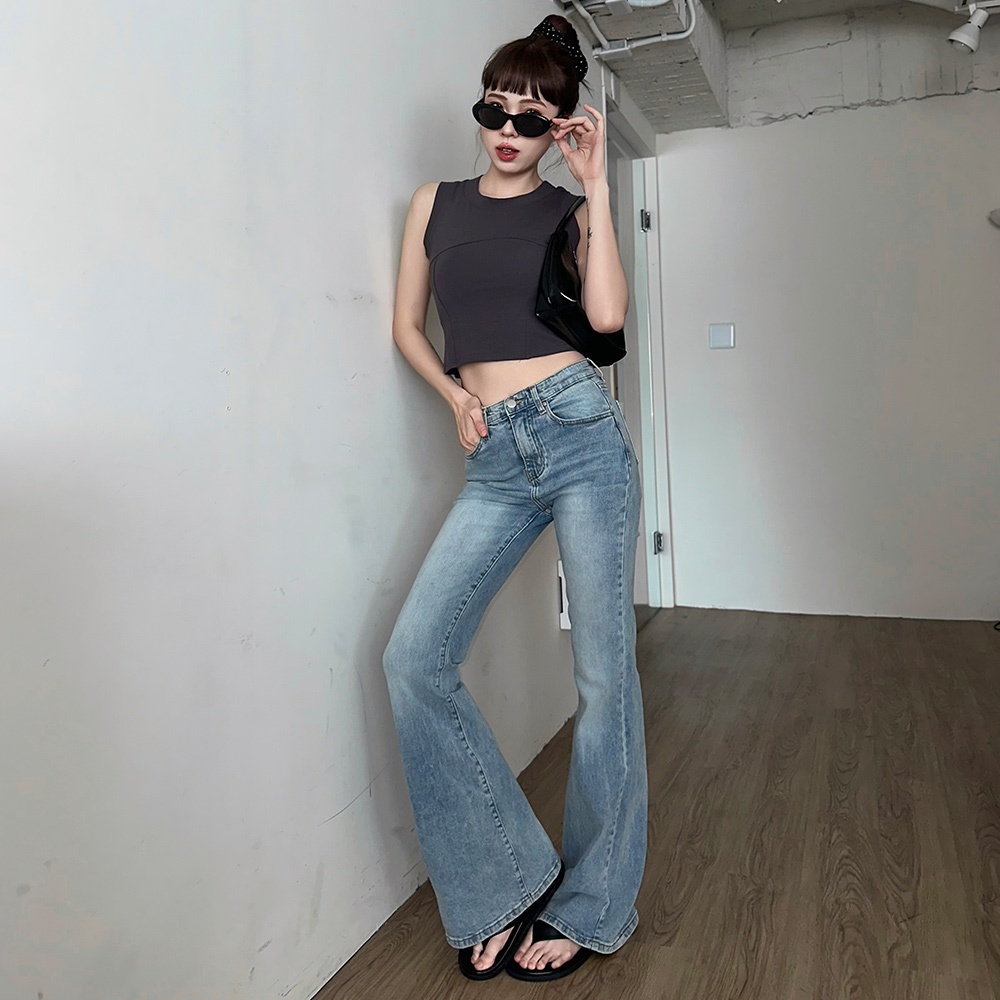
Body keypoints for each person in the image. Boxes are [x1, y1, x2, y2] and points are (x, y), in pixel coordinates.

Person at [382, 14, 646, 983]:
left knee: (604, 681)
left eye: (532, 118)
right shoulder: (436, 203)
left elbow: (607, 316)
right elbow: (409, 325)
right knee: (413, 659)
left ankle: (592, 905)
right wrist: (456, 396)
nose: (507, 129)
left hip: (578, 434)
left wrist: (598, 187)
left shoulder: (565, 212)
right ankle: (502, 879)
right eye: (494, 108)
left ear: (559, 129)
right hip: (494, 452)